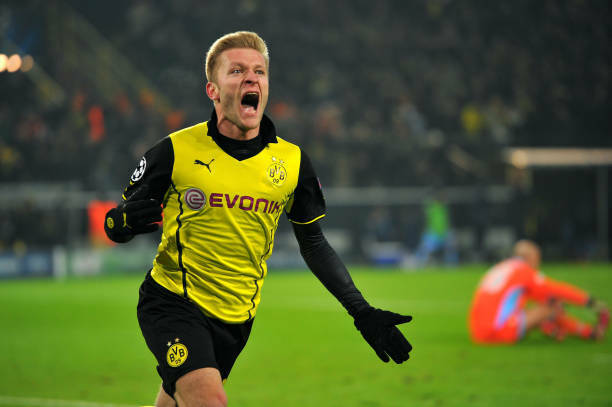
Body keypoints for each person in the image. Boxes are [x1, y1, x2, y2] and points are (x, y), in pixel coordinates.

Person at [103, 31, 412, 407]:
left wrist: (361, 311)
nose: (251, 78)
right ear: (213, 90)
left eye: (259, 72)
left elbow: (313, 242)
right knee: (209, 401)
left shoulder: (292, 162)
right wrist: (121, 223)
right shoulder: (174, 151)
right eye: (237, 71)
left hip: (237, 319)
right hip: (173, 303)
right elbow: (117, 222)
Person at [468, 239, 609, 344]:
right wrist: (591, 302)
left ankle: (554, 329)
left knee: (543, 305)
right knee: (552, 307)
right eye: (537, 257)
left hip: (478, 332)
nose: (538, 263)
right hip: (497, 330)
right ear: (530, 257)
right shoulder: (524, 271)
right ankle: (589, 333)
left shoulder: (501, 267)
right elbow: (557, 290)